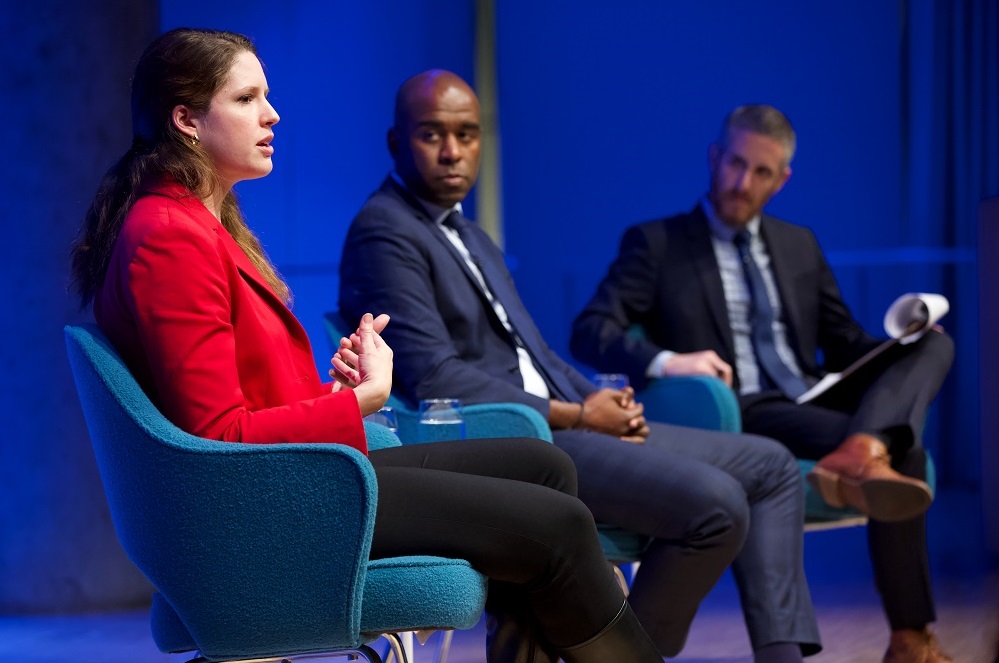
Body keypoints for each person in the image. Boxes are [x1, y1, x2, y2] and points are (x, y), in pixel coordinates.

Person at [68, 28, 665, 663]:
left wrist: (339, 392)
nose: (272, 114)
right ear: (185, 119)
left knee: (545, 466)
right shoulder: (169, 236)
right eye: (246, 98)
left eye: (266, 95)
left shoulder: (197, 221)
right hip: (266, 506)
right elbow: (221, 437)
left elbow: (241, 399)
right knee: (561, 525)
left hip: (289, 479)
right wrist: (362, 403)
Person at [339, 69, 821, 663]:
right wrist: (578, 413)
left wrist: (603, 400)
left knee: (771, 464)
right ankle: (620, 653)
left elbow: (536, 355)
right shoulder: (383, 231)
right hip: (521, 435)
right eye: (431, 135)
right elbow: (438, 379)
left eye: (467, 135)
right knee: (718, 505)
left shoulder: (469, 233)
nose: (452, 152)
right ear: (395, 143)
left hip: (572, 420)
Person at [570, 104, 955, 663]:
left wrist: (905, 340)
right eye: (734, 164)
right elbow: (590, 330)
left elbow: (844, 340)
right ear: (714, 157)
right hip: (739, 410)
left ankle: (863, 448)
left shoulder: (799, 244)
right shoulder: (658, 244)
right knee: (908, 448)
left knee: (936, 344)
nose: (740, 183)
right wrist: (669, 360)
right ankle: (909, 637)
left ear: (782, 179)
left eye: (760, 173)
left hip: (809, 396)